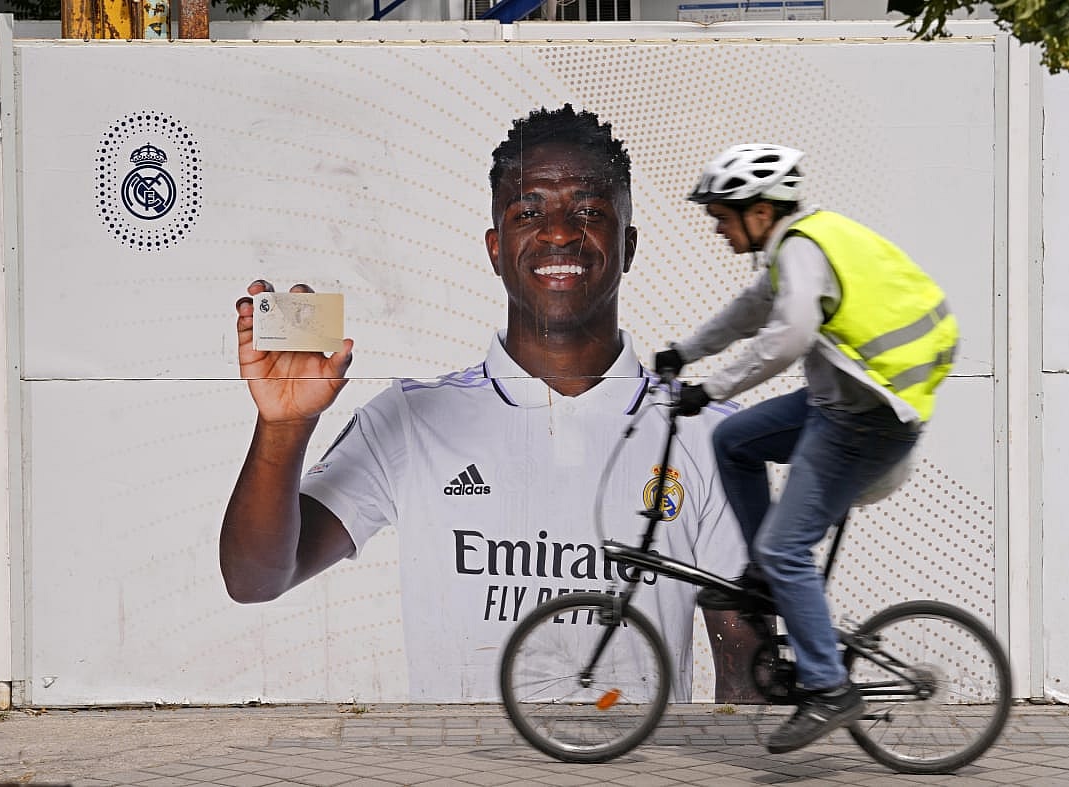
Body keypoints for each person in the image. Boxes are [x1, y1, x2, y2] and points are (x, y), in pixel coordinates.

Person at [221, 105, 761, 703]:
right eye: (529, 212)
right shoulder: (407, 419)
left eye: (588, 210)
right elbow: (255, 579)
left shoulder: (709, 437)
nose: (559, 231)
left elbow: (746, 671)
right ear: (496, 248)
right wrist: (284, 427)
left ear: (627, 244)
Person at [655, 143, 958, 753]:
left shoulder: (802, 251)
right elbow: (749, 312)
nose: (717, 227)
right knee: (733, 438)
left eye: (723, 214)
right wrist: (686, 352)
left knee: (785, 545)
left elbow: (787, 336)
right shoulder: (794, 247)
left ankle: (827, 687)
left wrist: (709, 386)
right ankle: (766, 577)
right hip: (835, 406)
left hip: (868, 422)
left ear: (761, 211)